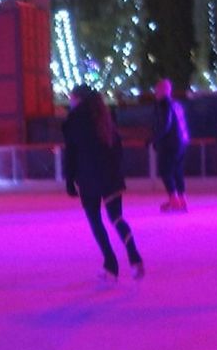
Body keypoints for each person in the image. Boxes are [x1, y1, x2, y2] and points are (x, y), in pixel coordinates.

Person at [63, 84, 145, 282]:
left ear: (77, 99)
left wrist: (69, 180)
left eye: (71, 98)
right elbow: (117, 148)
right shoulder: (104, 117)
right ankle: (134, 257)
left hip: (88, 178)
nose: (70, 101)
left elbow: (71, 154)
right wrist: (115, 170)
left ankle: (110, 264)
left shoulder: (73, 120)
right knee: (116, 218)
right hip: (110, 177)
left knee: (95, 221)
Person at [150, 78, 190, 212]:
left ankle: (174, 200)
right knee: (177, 171)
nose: (155, 93)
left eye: (157, 90)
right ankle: (182, 199)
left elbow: (165, 124)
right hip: (182, 143)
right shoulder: (176, 104)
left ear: (163, 90)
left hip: (170, 144)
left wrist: (155, 139)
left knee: (165, 171)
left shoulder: (164, 104)